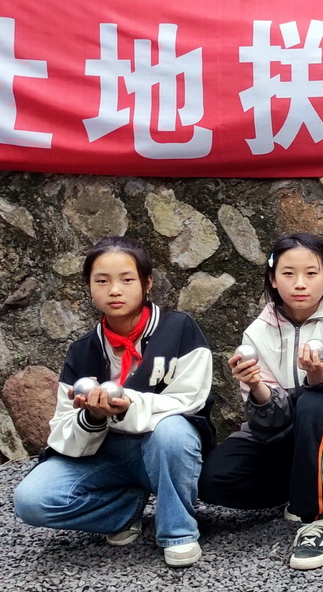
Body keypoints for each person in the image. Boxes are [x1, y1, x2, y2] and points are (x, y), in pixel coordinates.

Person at [13, 237, 214, 567]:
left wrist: (127, 405)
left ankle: (178, 532)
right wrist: (93, 417)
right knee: (32, 500)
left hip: (160, 451)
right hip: (106, 454)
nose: (115, 290)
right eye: (102, 281)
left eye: (127, 279)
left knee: (174, 432)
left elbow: (190, 400)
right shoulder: (83, 350)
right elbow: (61, 430)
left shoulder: (179, 329)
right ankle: (124, 510)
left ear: (147, 283)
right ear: (89, 287)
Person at [199, 233, 323, 572]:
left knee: (313, 403)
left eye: (311, 273)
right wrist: (255, 385)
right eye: (288, 273)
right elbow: (268, 423)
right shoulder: (257, 333)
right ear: (273, 278)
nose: (300, 283)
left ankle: (317, 519)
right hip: (284, 434)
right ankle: (302, 486)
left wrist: (317, 375)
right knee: (212, 480)